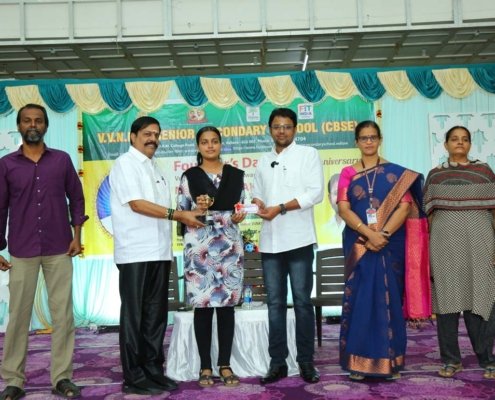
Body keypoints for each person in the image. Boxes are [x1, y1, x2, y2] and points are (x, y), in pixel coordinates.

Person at [109, 116, 204, 396]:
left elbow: (164, 209)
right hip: (135, 253)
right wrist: (179, 215)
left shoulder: (156, 168)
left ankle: (153, 369)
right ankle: (134, 375)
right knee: (135, 317)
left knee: (156, 315)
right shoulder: (125, 164)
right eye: (147, 134)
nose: (153, 139)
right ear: (133, 136)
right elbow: (137, 205)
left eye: (156, 134)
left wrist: (189, 215)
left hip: (160, 252)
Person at [0, 104, 87, 399]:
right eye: (27, 121)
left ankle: (62, 377)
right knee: (18, 317)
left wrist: (77, 236)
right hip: (22, 249)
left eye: (38, 120)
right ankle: (14, 380)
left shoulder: (61, 160)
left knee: (63, 316)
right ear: (19, 126)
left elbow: (76, 198)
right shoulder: (6, 165)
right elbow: (0, 208)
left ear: (46, 126)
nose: (33, 125)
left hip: (59, 247)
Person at [337, 120, 430, 381]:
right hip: (359, 242)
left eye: (373, 137)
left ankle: (390, 362)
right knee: (360, 298)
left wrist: (383, 235)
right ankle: (358, 362)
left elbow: (405, 207)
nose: (368, 142)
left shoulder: (396, 173)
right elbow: (343, 208)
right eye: (363, 138)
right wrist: (370, 235)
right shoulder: (347, 173)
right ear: (356, 142)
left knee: (388, 298)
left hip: (390, 244)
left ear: (380, 140)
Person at [252, 107, 324, 384]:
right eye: (277, 126)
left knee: (303, 302)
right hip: (270, 242)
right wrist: (258, 203)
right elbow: (258, 193)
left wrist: (280, 207)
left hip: (299, 239)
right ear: (270, 129)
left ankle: (305, 361)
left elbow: (315, 193)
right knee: (275, 304)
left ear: (295, 129)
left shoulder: (308, 154)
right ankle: (277, 363)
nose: (281, 131)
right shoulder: (263, 160)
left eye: (287, 126)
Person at [176, 126, 246, 387]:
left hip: (229, 246)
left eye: (214, 141)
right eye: (204, 142)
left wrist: (239, 216)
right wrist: (197, 209)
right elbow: (181, 212)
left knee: (226, 308)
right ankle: (205, 366)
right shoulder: (189, 177)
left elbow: (241, 207)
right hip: (199, 247)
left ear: (220, 144)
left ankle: (225, 365)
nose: (210, 146)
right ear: (198, 146)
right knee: (203, 308)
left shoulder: (235, 175)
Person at [423, 125, 495, 380]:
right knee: (447, 303)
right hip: (444, 245)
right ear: (445, 145)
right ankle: (451, 360)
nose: (460, 143)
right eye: (454, 139)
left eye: (464, 139)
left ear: (470, 144)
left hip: (480, 244)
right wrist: (427, 251)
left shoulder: (484, 173)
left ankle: (488, 359)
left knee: (482, 299)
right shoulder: (435, 176)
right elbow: (428, 217)